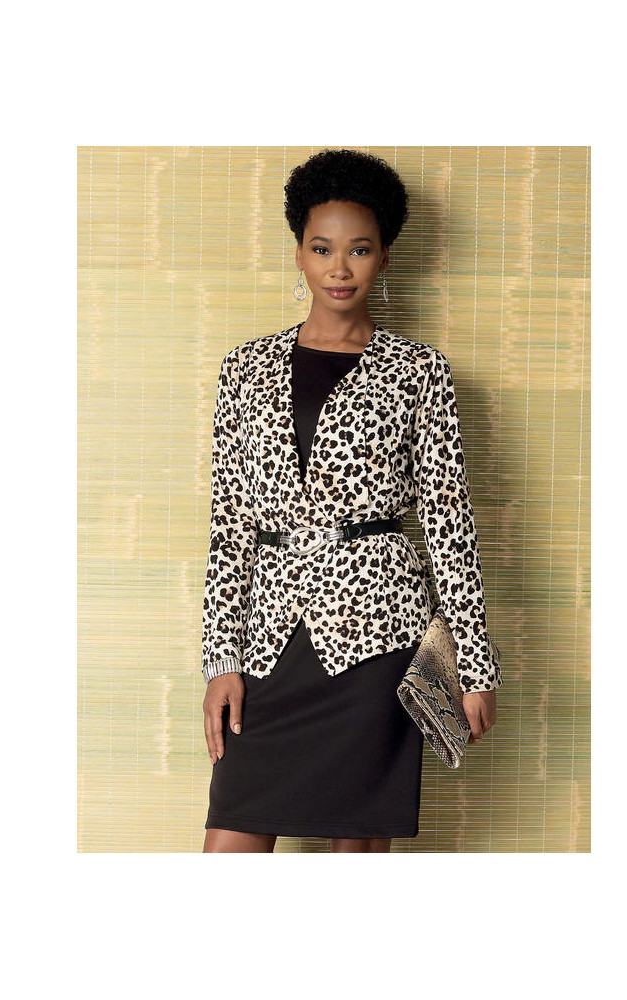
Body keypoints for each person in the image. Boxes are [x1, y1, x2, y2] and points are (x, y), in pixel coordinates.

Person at [200, 148, 502, 853]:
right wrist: (221, 660)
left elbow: (449, 525)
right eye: (322, 248)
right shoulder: (244, 368)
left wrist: (475, 668)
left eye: (359, 249)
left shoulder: (419, 371)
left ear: (384, 258)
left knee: (358, 849)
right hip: (270, 637)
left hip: (378, 639)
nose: (340, 268)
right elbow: (229, 525)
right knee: (231, 837)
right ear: (299, 254)